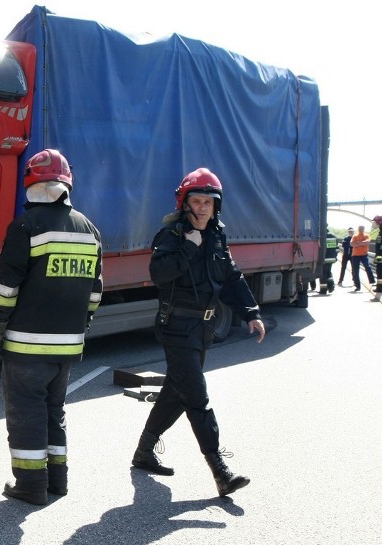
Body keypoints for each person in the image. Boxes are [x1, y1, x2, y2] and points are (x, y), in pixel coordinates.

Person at [130, 167, 265, 497]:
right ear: (184, 202)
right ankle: (219, 469)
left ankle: (143, 452)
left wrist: (250, 312)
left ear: (216, 206)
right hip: (176, 326)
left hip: (203, 327)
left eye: (208, 201)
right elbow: (158, 274)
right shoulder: (172, 236)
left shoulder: (218, 235)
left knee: (176, 391)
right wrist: (189, 247)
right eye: (197, 200)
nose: (203, 207)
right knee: (196, 396)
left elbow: (231, 277)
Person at [0, 149, 103, 506]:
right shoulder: (89, 229)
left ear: (30, 186)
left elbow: (6, 288)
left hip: (25, 345)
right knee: (54, 412)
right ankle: (58, 481)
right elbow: (95, 292)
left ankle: (30, 486)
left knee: (26, 415)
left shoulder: (26, 227)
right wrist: (80, 325)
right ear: (67, 184)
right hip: (67, 347)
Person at [349, 224, 375, 292]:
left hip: (364, 254)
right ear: (358, 229)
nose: (361, 229)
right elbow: (351, 244)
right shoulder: (355, 236)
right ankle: (357, 286)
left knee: (368, 267)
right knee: (355, 271)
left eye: (362, 228)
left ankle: (372, 281)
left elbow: (367, 242)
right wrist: (362, 243)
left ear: (363, 229)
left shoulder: (366, 235)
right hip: (355, 255)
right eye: (360, 228)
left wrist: (358, 243)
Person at [374, 215, 382, 296]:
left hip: (380, 256)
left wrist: (377, 257)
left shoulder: (380, 233)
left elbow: (379, 246)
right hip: (379, 255)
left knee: (379, 272)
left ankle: (379, 287)